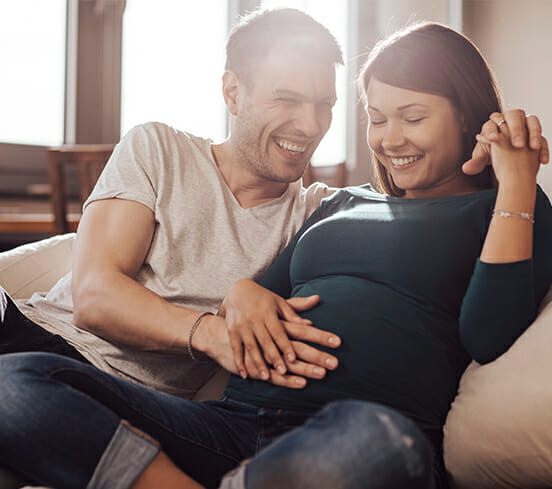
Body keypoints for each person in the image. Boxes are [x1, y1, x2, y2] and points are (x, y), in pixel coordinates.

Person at [0, 20, 550, 489]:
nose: (389, 139)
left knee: (382, 441)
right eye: (377, 118)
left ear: (464, 116)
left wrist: (517, 183)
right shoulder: (339, 204)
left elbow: (488, 334)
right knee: (14, 385)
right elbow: (259, 292)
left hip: (349, 428)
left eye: (413, 117)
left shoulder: (507, 208)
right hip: (229, 423)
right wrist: (240, 293)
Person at [0, 7, 346, 397]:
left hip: (115, 394)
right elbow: (95, 297)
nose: (312, 125)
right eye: (287, 99)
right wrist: (211, 332)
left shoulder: (318, 214)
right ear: (233, 93)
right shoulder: (157, 148)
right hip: (32, 333)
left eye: (325, 105)